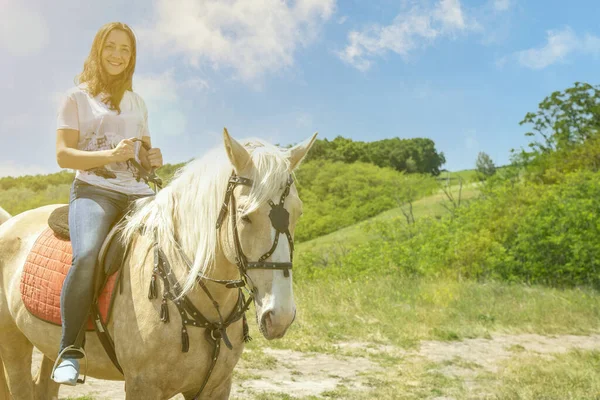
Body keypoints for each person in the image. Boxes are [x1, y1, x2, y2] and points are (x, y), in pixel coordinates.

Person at [52, 21, 163, 385]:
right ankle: (70, 350)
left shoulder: (137, 102)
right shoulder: (76, 98)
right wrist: (105, 156)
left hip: (139, 192)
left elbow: (141, 156)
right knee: (86, 256)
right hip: (93, 190)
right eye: (111, 47)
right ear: (98, 51)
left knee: (174, 246)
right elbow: (64, 156)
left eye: (125, 49)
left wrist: (152, 159)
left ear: (132, 58)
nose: (118, 55)